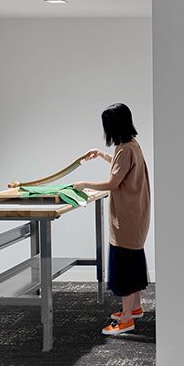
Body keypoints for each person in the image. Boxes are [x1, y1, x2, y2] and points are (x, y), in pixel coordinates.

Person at [73, 103, 151, 335]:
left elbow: (112, 183)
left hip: (127, 216)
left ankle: (126, 319)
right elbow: (122, 168)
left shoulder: (125, 149)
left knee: (125, 266)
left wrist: (85, 184)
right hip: (136, 213)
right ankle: (135, 308)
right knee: (133, 260)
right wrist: (102, 154)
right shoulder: (131, 145)